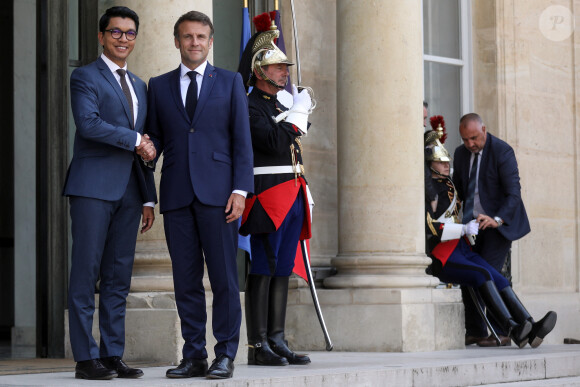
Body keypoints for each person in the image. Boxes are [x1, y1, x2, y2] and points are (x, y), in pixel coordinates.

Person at [146, 10, 254, 380]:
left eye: (201, 37)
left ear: (210, 42)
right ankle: (193, 355)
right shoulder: (157, 85)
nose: (194, 43)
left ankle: (225, 354)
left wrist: (240, 190)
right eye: (187, 37)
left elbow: (242, 140)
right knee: (186, 280)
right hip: (176, 195)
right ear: (176, 41)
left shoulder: (230, 82)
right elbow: (157, 136)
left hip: (220, 196)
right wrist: (147, 147)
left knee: (224, 278)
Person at [64, 6, 157, 380]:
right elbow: (88, 124)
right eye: (116, 32)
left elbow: (145, 147)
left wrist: (148, 196)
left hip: (130, 193)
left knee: (118, 277)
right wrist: (135, 139)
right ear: (101, 36)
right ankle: (86, 358)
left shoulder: (139, 85)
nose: (123, 39)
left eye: (130, 33)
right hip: (92, 188)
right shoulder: (84, 76)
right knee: (86, 273)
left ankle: (113, 354)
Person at [424, 128, 556, 348]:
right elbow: (431, 228)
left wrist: (471, 225)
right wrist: (463, 229)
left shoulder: (450, 184)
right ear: (430, 164)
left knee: (499, 277)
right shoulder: (429, 191)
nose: (447, 165)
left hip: (461, 248)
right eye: (440, 162)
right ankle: (512, 328)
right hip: (443, 255)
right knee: (483, 274)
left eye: (447, 161)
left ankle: (531, 328)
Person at [237, 19, 312, 366]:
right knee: (263, 265)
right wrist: (297, 114)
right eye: (277, 67)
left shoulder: (280, 104)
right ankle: (257, 345)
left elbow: (293, 135)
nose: (284, 72)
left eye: (284, 67)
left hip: (292, 192)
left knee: (282, 266)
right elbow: (270, 140)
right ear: (259, 70)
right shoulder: (250, 105)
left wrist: (294, 110)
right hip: (268, 194)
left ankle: (277, 338)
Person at [452, 113, 545, 347]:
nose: (470, 144)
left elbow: (513, 194)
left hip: (497, 226)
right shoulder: (460, 154)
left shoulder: (502, 151)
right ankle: (476, 331)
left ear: (484, 129)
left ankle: (501, 332)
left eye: (474, 137)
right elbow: (460, 191)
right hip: (472, 226)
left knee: (489, 274)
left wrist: (497, 219)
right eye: (465, 139)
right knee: (469, 274)